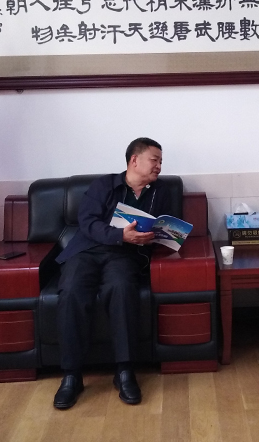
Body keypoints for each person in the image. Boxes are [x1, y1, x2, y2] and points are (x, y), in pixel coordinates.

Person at [53, 137, 175, 409]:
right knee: (71, 291)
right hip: (87, 251)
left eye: (161, 162)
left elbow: (165, 227)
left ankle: (124, 371)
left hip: (125, 256)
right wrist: (120, 235)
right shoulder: (104, 185)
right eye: (154, 160)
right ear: (135, 160)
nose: (159, 166)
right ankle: (71, 375)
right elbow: (87, 222)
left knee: (121, 288)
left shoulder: (160, 192)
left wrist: (160, 237)